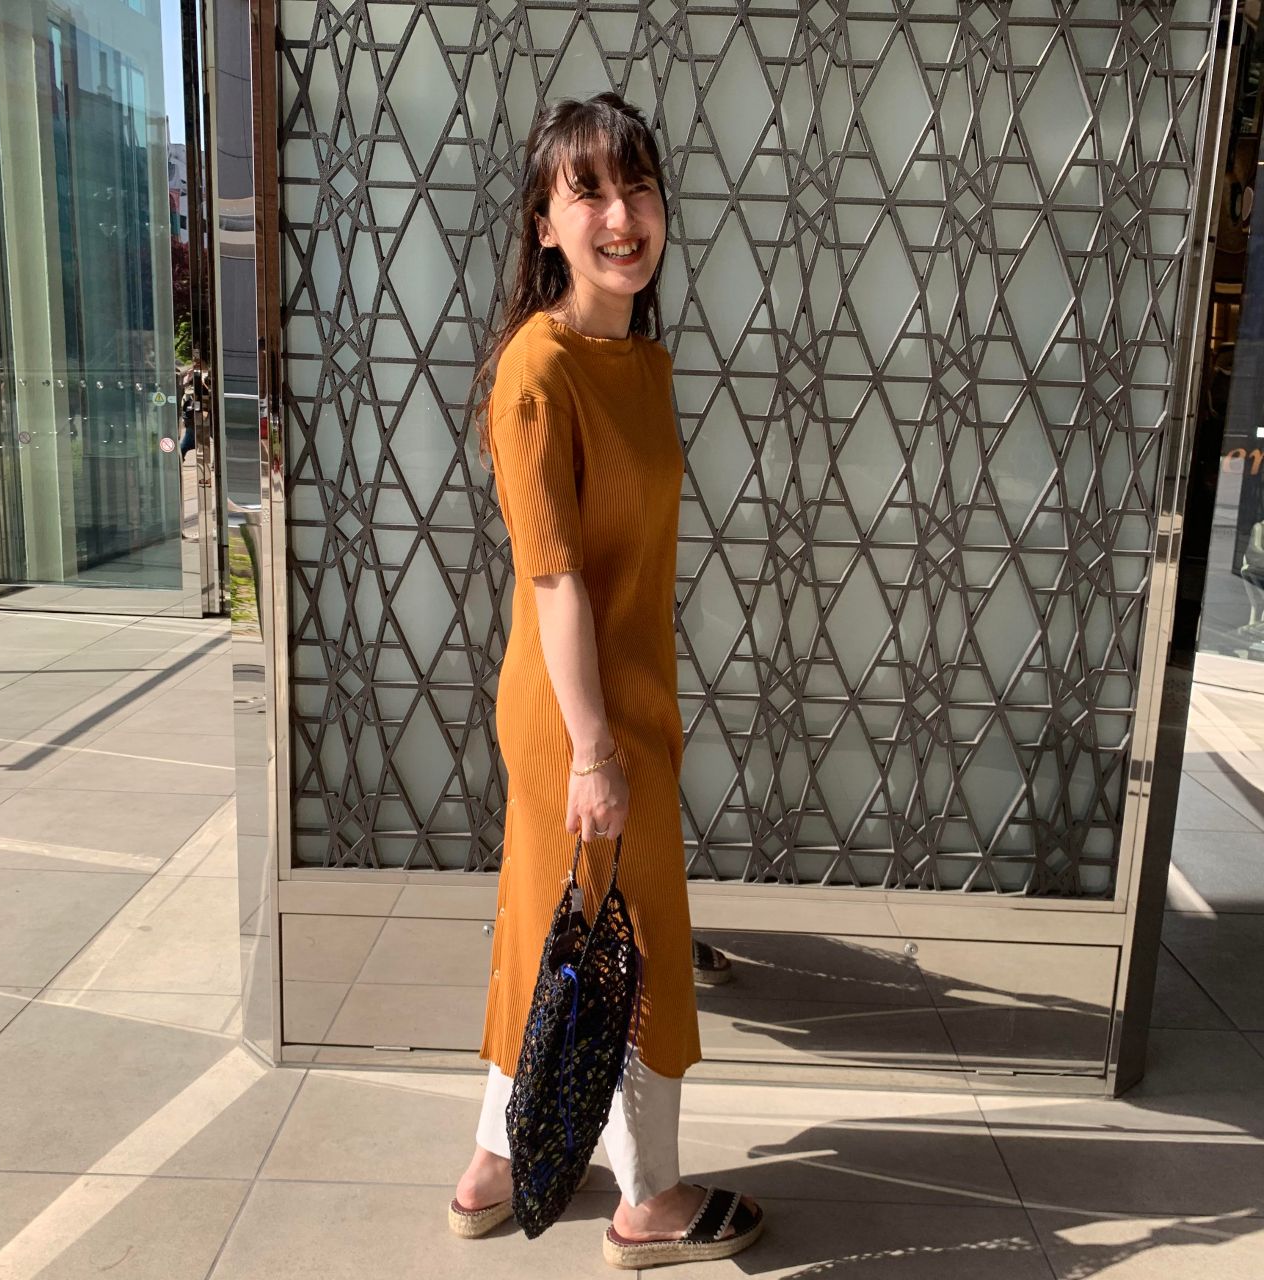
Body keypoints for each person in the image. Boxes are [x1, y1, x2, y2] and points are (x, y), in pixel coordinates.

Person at [448, 93, 764, 1268]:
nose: (620, 215)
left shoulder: (633, 358)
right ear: (543, 223)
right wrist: (592, 749)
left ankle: (494, 1163)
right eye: (587, 192)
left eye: (636, 187)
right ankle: (647, 1197)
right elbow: (555, 580)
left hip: (610, 702)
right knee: (634, 944)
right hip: (581, 713)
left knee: (556, 927)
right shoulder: (538, 369)